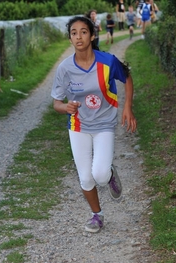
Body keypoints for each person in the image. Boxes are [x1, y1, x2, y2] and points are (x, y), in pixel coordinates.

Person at [51, 16, 137, 233]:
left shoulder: (107, 61)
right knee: (86, 177)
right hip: (78, 125)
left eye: (83, 32)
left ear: (92, 35)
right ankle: (97, 215)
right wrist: (65, 108)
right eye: (73, 33)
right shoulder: (64, 68)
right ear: (70, 38)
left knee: (99, 175)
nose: (78, 37)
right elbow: (56, 103)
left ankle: (108, 172)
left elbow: (126, 77)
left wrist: (127, 108)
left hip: (104, 124)